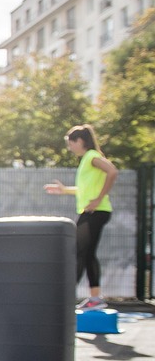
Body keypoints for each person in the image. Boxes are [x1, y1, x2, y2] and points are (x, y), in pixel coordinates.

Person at [44, 124, 119, 310]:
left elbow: (113, 172)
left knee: (78, 251)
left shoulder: (92, 156)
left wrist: (98, 199)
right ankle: (95, 298)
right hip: (93, 212)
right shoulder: (87, 159)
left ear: (80, 141)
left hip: (95, 212)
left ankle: (69, 296)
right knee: (85, 252)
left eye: (71, 144)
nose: (70, 148)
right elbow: (85, 190)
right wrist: (65, 190)